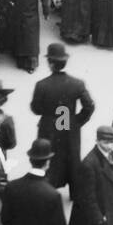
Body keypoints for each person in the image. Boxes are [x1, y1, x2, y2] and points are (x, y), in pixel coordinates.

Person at [31, 42, 96, 189]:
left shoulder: (42, 85)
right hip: (68, 123)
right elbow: (89, 106)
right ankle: (74, 189)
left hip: (48, 126)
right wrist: (77, 120)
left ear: (50, 63)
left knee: (49, 157)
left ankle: (48, 188)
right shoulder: (77, 83)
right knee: (71, 156)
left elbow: (36, 108)